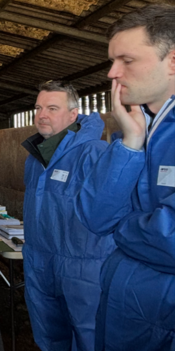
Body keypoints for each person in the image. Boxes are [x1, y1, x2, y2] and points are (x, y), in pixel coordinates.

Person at [74, 5, 175, 350]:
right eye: (112, 61)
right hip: (126, 310)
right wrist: (131, 145)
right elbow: (95, 216)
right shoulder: (136, 131)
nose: (112, 73)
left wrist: (123, 226)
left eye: (126, 60)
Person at [21, 81, 112, 351]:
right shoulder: (35, 158)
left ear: (73, 115)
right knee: (48, 336)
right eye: (38, 108)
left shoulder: (94, 153)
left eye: (52, 108)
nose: (42, 115)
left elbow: (108, 212)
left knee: (89, 337)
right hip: (40, 261)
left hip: (83, 268)